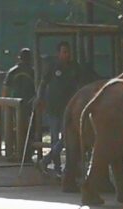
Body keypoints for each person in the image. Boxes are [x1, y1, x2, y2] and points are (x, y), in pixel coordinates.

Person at [36, 41, 82, 175]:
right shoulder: (52, 66)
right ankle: (56, 167)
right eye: (64, 52)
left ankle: (49, 161)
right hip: (53, 107)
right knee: (54, 138)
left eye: (68, 52)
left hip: (68, 108)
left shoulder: (75, 67)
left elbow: (80, 85)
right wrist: (40, 97)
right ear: (59, 53)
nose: (67, 55)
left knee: (66, 138)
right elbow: (43, 83)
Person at [3, 49, 37, 161]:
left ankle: (16, 152)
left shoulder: (12, 71)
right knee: (29, 129)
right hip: (29, 104)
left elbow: (5, 89)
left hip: (15, 105)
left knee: (15, 129)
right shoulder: (33, 72)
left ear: (19, 58)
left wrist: (5, 102)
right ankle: (27, 152)